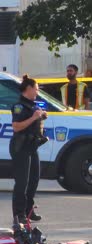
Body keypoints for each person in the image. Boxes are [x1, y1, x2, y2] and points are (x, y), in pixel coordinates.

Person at [10, 75, 48, 224]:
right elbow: (16, 126)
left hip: (32, 146)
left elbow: (36, 118)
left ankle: (28, 211)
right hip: (21, 147)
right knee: (22, 182)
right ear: (29, 88)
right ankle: (19, 214)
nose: (37, 92)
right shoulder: (19, 106)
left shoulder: (33, 105)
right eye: (36, 89)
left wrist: (41, 116)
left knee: (33, 180)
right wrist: (33, 118)